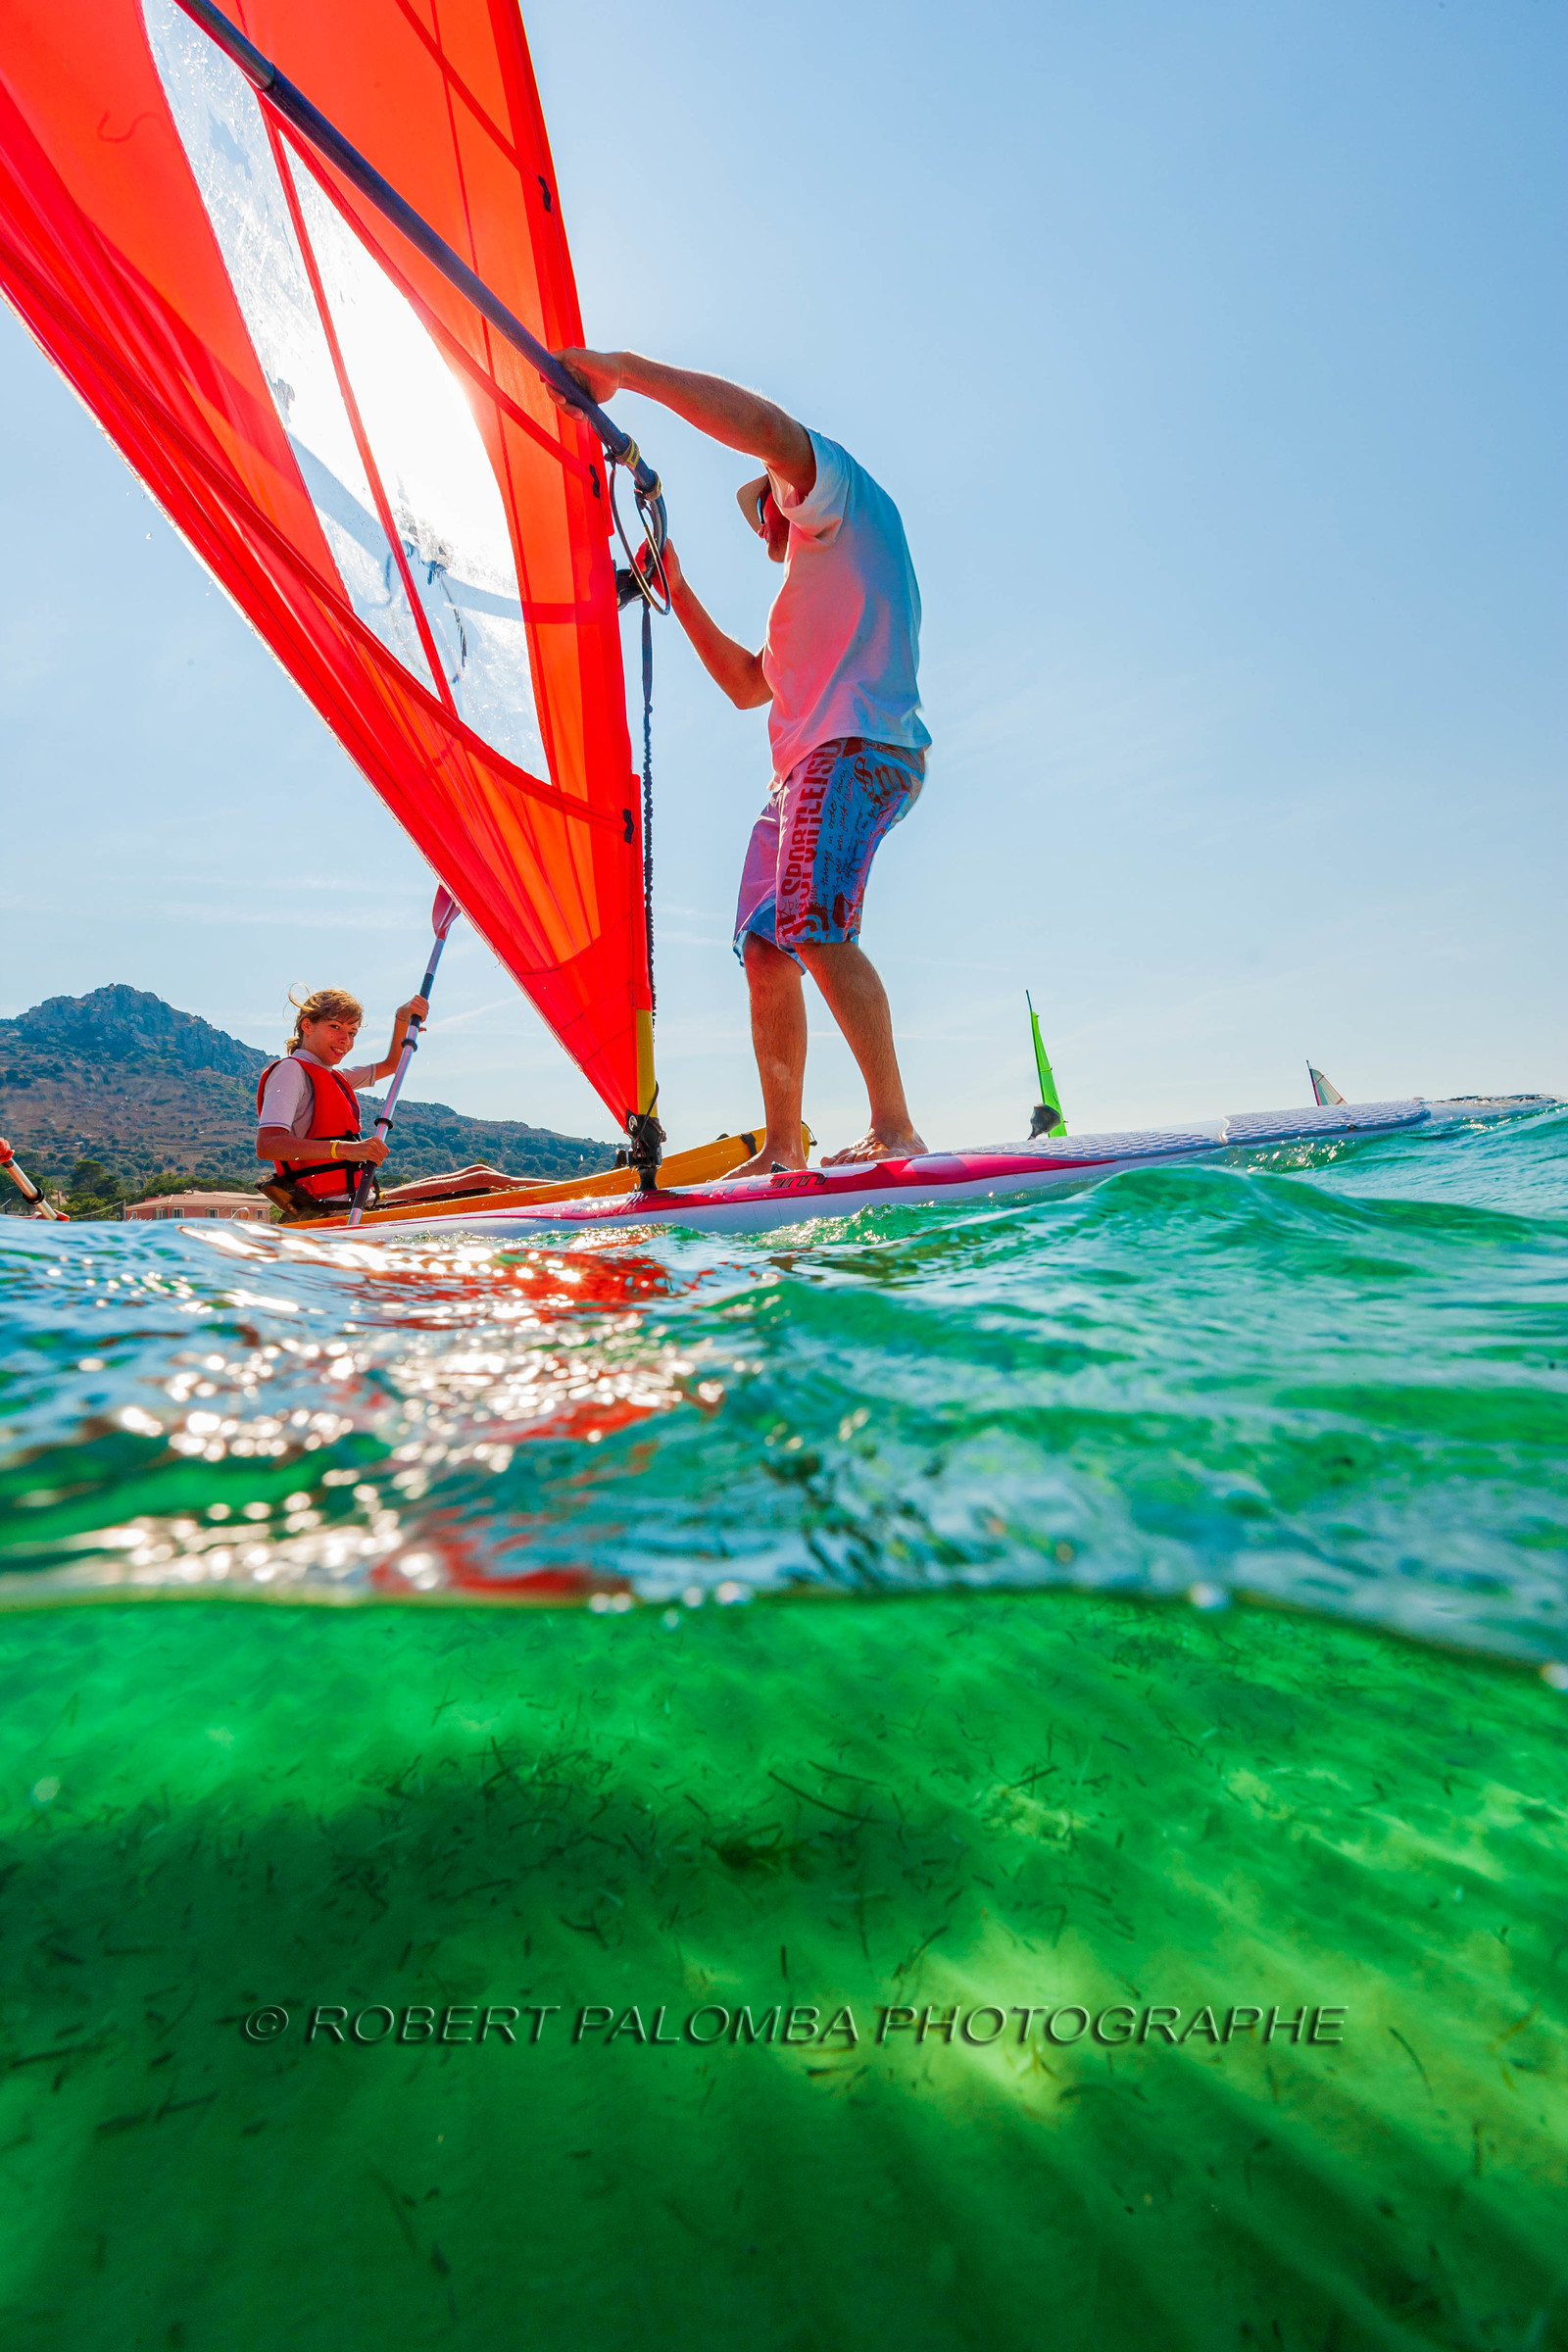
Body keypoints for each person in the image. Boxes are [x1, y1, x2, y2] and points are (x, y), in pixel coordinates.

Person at [549, 350, 929, 1171]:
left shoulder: (838, 502)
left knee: (815, 929)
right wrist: (674, 586)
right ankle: (784, 1149)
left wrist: (623, 373)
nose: (764, 520)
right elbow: (744, 685)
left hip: (855, 747)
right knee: (766, 950)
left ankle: (895, 1127)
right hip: (799, 774)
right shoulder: (804, 593)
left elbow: (762, 429)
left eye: (768, 505)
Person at [255, 986, 427, 1213]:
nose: (345, 1039)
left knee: (478, 1174)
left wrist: (402, 1018)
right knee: (483, 1182)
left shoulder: (336, 1077)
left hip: (356, 1197)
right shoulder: (291, 1070)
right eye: (335, 1027)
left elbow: (391, 1065)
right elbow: (267, 1145)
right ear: (307, 1026)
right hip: (330, 1204)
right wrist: (345, 1150)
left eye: (352, 1032)